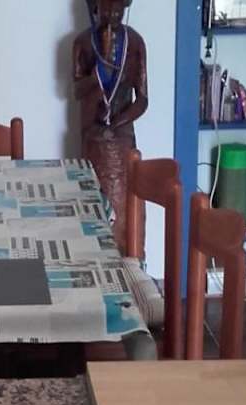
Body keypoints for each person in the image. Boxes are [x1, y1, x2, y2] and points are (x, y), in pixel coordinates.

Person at [73, 0, 147, 255]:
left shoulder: (134, 43)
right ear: (95, 7)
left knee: (125, 217)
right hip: (92, 137)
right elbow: (77, 91)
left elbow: (142, 100)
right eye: (106, 9)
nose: (112, 15)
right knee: (92, 210)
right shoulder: (83, 42)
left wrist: (117, 122)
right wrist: (98, 71)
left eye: (118, 10)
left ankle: (130, 260)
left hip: (123, 138)